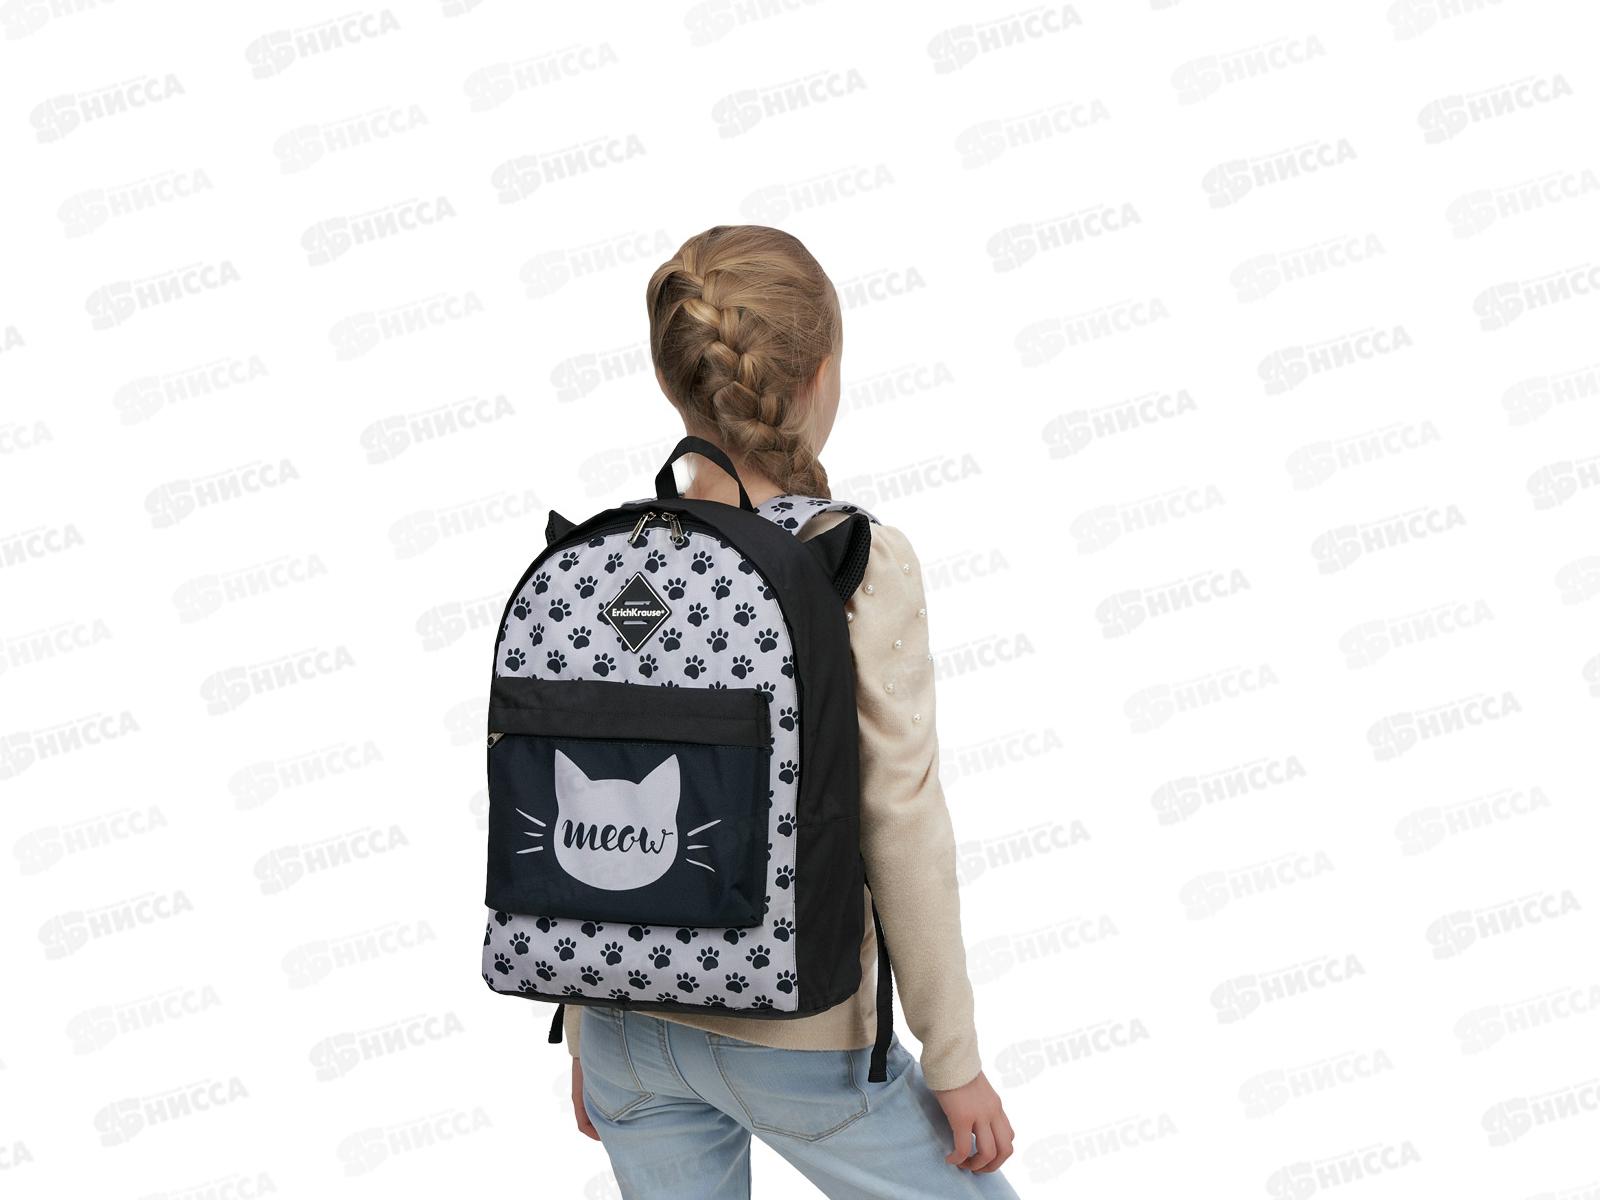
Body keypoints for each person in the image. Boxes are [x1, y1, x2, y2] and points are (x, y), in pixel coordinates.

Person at [565, 225, 1020, 1199]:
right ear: (820, 375)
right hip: (798, 1035)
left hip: (622, 1030)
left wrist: (581, 1012)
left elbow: (582, 785)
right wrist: (953, 1059)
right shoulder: (850, 558)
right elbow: (900, 819)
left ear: (672, 382)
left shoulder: (607, 561)